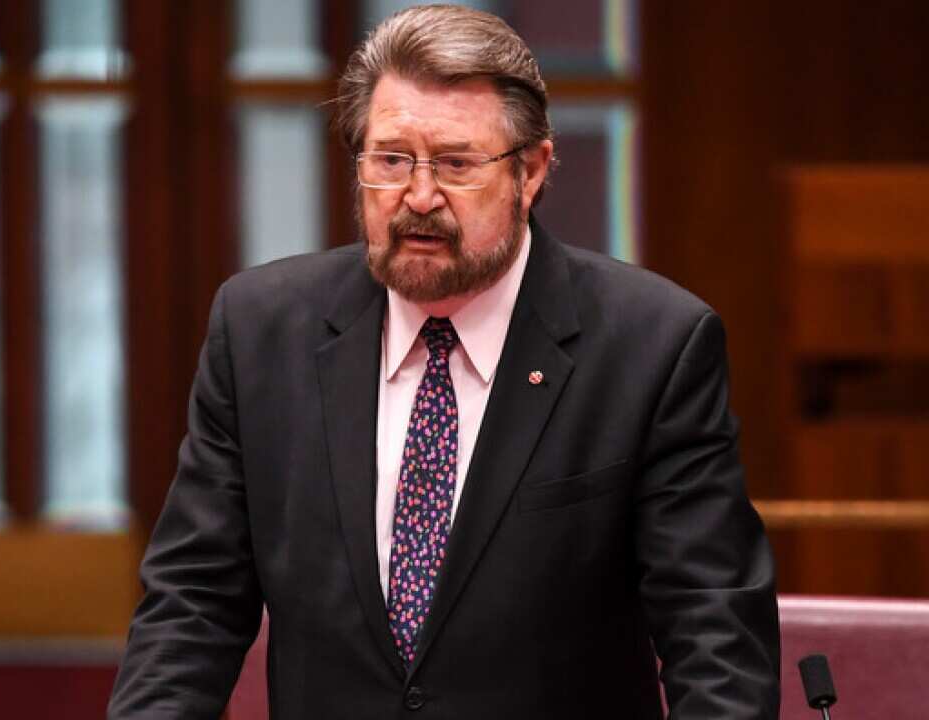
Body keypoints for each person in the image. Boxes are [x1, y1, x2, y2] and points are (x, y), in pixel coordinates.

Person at [108, 5, 779, 718]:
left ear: (531, 171)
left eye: (456, 164)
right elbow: (192, 608)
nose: (418, 197)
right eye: (391, 160)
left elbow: (715, 639)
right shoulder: (261, 332)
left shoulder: (652, 346)